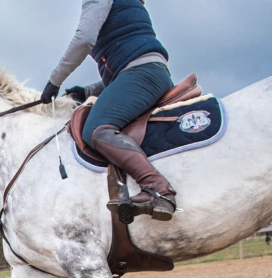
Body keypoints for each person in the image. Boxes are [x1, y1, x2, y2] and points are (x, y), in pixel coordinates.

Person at [40, 0, 177, 221]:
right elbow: (123, 67)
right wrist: (86, 91)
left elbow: (84, 40)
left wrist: (54, 81)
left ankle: (157, 188)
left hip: (142, 74)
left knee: (96, 129)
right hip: (148, 71)